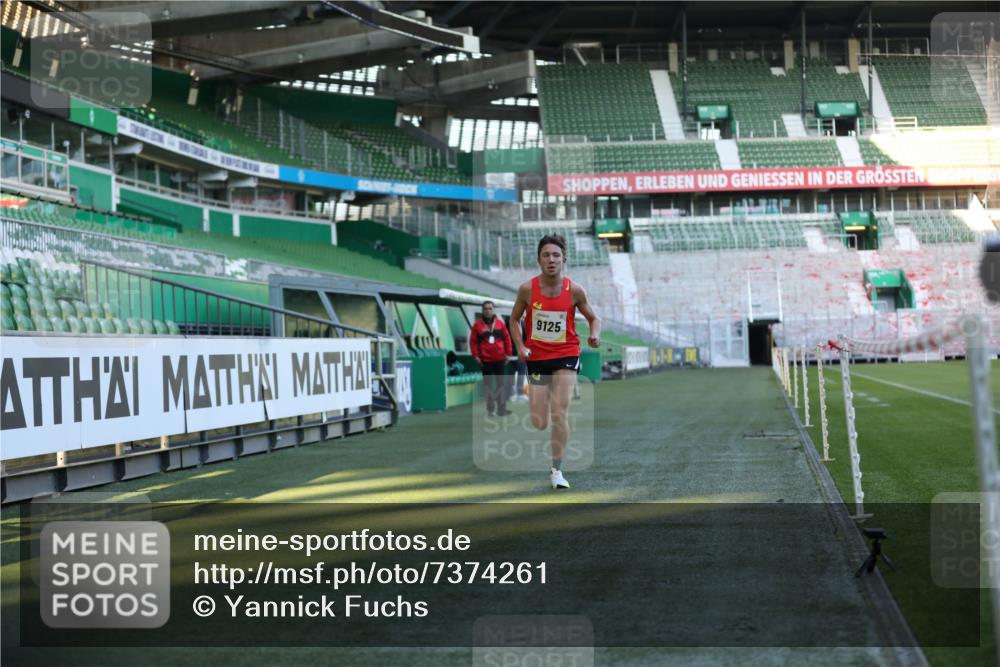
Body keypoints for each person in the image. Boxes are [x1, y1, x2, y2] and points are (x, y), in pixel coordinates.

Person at [510, 234, 601, 490]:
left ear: (564, 259)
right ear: (539, 259)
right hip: (537, 358)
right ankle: (544, 404)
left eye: (556, 255)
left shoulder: (576, 290)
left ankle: (556, 471)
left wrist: (594, 335)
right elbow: (514, 319)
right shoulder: (527, 289)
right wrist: (520, 345)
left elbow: (595, 319)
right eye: (546, 255)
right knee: (540, 421)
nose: (551, 260)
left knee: (560, 412)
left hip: (566, 354)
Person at [469, 300, 512, 417]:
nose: (488, 310)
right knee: (487, 386)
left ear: (493, 310)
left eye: (490, 308)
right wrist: (475, 356)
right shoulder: (477, 325)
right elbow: (472, 342)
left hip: (500, 359)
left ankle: (501, 409)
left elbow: (507, 339)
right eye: (485, 309)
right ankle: (490, 409)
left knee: (501, 385)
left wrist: (508, 354)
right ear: (482, 311)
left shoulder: (500, 324)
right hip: (485, 361)